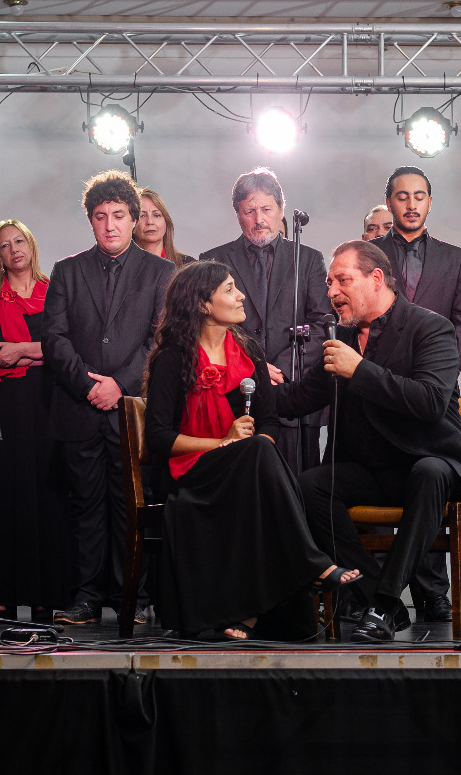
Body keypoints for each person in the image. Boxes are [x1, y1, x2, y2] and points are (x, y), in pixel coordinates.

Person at [277, 241, 461, 643]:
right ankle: (382, 601)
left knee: (429, 472)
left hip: (429, 462)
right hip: (374, 469)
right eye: (329, 283)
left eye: (342, 280)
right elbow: (301, 397)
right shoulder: (342, 336)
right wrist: (247, 383)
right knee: (311, 486)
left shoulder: (431, 327)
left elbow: (430, 402)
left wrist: (359, 370)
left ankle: (382, 604)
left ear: (376, 278)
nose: (332, 291)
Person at [143, 260, 360, 639]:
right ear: (202, 304)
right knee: (257, 450)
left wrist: (253, 455)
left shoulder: (249, 352)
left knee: (261, 447)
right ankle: (312, 564)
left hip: (240, 467)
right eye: (229, 289)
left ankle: (249, 616)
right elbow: (159, 438)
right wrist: (225, 442)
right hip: (192, 471)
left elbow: (269, 422)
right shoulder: (172, 358)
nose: (240, 295)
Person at [45, 171, 176, 625]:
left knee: (129, 507)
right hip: (78, 407)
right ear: (91, 221)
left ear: (133, 218)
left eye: (118, 215)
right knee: (85, 507)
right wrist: (88, 385)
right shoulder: (66, 270)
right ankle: (86, 599)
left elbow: (160, 340)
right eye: (100, 216)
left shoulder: (162, 272)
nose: (109, 225)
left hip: (131, 409)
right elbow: (54, 339)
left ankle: (131, 598)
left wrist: (118, 384)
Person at [370, 165, 461, 622]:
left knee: (430, 480)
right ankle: (376, 592)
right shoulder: (370, 254)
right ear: (389, 202)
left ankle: (433, 593)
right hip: (381, 390)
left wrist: (439, 374)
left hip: (435, 392)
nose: (411, 204)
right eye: (402, 196)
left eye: (419, 196)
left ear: (430, 202)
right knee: (389, 481)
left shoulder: (455, 258)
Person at [200, 168, 328, 470]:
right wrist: (254, 366)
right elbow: (209, 326)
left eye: (267, 209)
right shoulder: (213, 260)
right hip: (235, 394)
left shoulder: (309, 259)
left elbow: (322, 324)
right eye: (250, 211)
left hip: (293, 393)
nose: (259, 219)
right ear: (238, 215)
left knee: (297, 487)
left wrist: (280, 367)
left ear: (281, 210)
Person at [0, 219, 67, 619]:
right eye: (4, 245)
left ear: (31, 245)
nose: (13, 249)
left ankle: (48, 592)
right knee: (5, 493)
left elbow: (69, 346)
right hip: (6, 405)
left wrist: (22, 351)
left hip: (51, 401)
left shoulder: (57, 292)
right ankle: (2, 591)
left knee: (50, 493)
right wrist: (42, 352)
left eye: (19, 241)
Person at [137, 188, 195, 267]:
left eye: (157, 215)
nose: (150, 222)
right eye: (142, 216)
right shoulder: (121, 267)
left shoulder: (189, 266)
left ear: (166, 222)